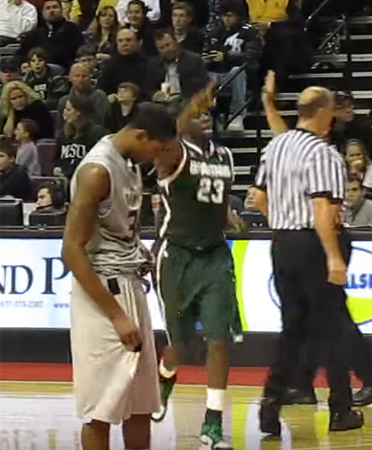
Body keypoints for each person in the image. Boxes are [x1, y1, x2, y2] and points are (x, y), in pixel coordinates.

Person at [60, 102, 176, 450]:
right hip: (103, 295)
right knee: (102, 408)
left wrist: (141, 252)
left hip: (129, 284)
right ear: (141, 135)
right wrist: (116, 315)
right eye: (156, 148)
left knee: (140, 405)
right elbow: (71, 250)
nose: (156, 157)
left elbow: (117, 230)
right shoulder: (97, 170)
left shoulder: (130, 162)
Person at [253, 85, 364, 436]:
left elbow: (257, 197)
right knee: (333, 329)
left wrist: (281, 229)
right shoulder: (323, 153)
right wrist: (333, 256)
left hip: (283, 242)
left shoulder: (276, 146)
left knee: (292, 329)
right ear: (322, 112)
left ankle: (270, 403)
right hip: (315, 244)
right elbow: (322, 210)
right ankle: (340, 410)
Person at [150, 85, 243, 449]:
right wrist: (192, 104)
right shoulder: (171, 153)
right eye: (197, 115)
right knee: (181, 345)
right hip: (177, 256)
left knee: (219, 340)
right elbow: (175, 130)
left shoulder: (224, 156)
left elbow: (217, 201)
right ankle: (164, 377)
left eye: (208, 114)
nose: (205, 117)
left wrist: (231, 217)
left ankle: (213, 422)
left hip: (215, 255)